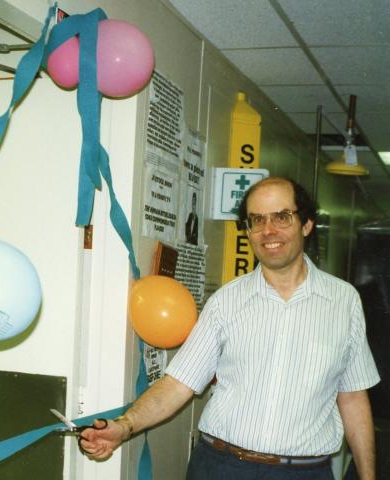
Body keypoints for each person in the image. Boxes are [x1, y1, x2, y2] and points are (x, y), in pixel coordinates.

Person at [80, 176, 380, 480]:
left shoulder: (344, 303)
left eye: (282, 217)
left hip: (303, 473)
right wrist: (124, 426)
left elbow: (353, 397)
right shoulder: (226, 302)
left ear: (306, 224)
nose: (269, 231)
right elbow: (178, 384)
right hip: (221, 467)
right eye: (257, 220)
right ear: (248, 231)